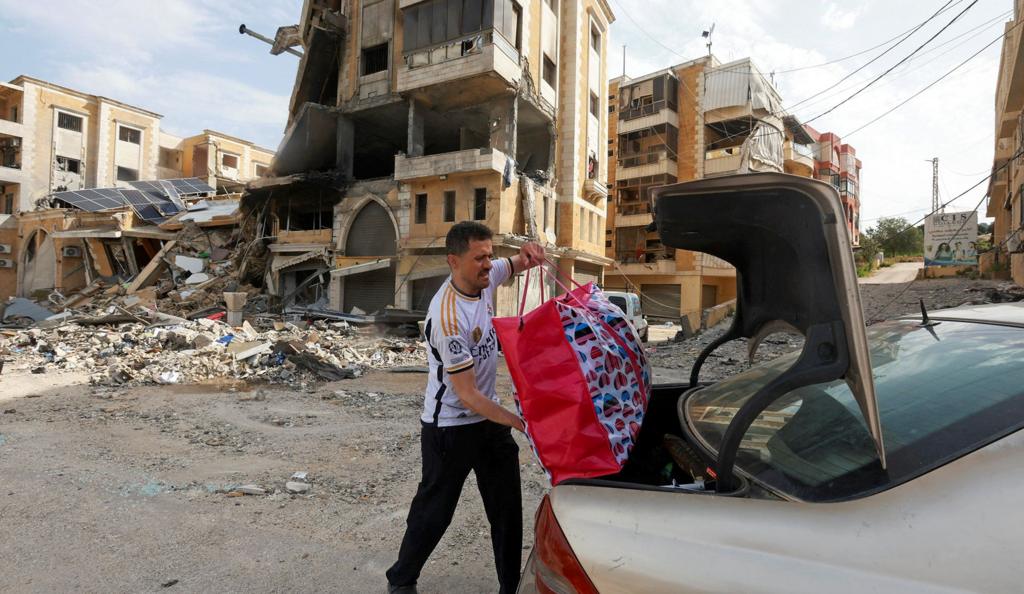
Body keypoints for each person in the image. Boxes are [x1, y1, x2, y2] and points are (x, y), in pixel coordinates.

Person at [386, 221, 545, 594]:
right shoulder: (447, 317)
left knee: (506, 509)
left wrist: (530, 257)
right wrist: (522, 422)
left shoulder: (484, 279)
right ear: (453, 262)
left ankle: (510, 586)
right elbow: (468, 394)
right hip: (450, 427)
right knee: (434, 511)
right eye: (480, 258)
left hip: (488, 422)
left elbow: (516, 264)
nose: (489, 264)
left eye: (490, 255)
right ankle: (401, 581)